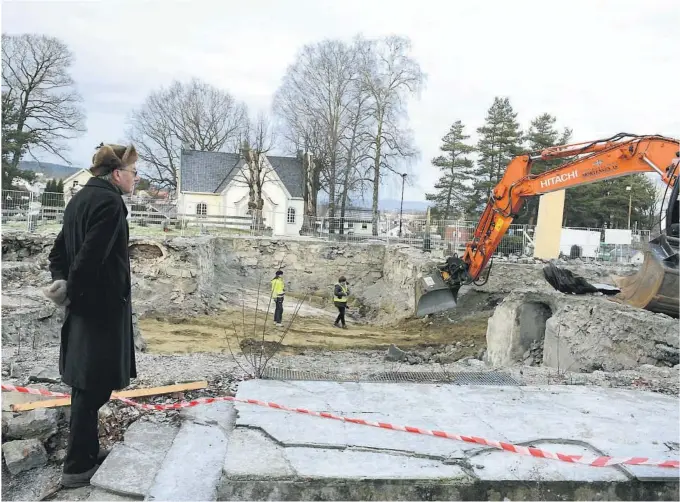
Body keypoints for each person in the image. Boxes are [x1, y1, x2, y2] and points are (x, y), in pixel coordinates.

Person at [43, 143, 140, 488]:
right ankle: (77, 466)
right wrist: (77, 292)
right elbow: (89, 257)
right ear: (117, 173)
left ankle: (86, 451)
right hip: (99, 309)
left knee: (88, 384)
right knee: (91, 388)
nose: (135, 178)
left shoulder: (79, 199)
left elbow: (59, 252)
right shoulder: (111, 202)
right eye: (133, 172)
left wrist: (62, 283)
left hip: (84, 307)